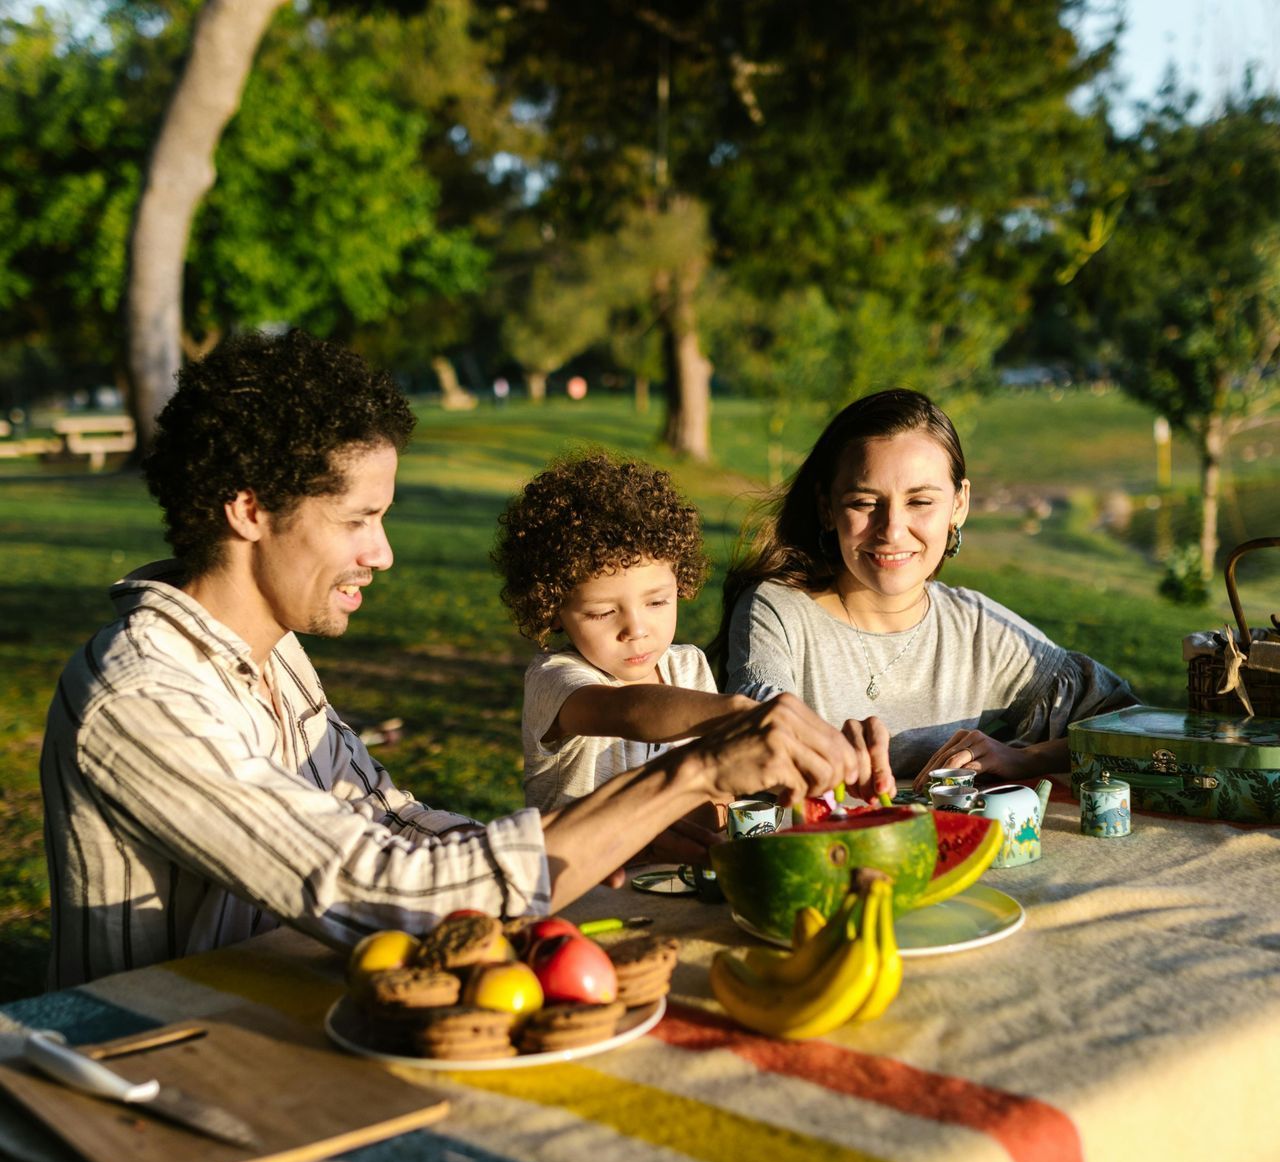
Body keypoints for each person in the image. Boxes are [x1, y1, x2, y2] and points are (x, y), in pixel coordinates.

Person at [40, 330, 864, 989]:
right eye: (358, 520)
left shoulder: (268, 652)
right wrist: (686, 774)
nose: (384, 553)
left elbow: (388, 820)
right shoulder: (140, 697)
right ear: (250, 510)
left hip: (278, 1005)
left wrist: (605, 843)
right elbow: (384, 889)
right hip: (161, 1068)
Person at [711, 388, 1136, 794]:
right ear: (827, 508)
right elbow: (757, 729)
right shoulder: (779, 611)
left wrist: (1025, 758)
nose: (892, 529)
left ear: (959, 505)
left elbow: (1135, 730)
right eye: (864, 503)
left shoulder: (978, 631)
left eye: (919, 502)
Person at [493, 452, 756, 861]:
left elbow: (717, 793)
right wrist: (740, 715)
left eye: (657, 602)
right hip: (577, 889)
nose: (636, 629)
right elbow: (627, 710)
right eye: (602, 612)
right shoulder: (555, 680)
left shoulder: (688, 668)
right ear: (552, 608)